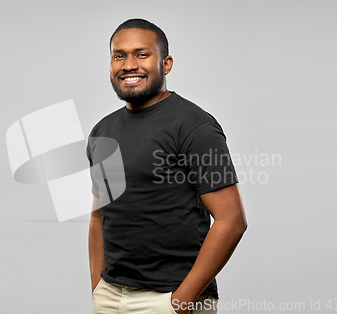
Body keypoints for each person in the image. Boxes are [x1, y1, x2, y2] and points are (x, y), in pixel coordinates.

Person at [87, 18, 247, 314]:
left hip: (170, 297)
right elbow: (99, 217)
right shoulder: (102, 132)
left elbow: (231, 220)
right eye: (119, 55)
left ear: (167, 63)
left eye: (142, 54)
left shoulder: (193, 126)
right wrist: (99, 288)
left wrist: (181, 301)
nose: (128, 65)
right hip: (110, 296)